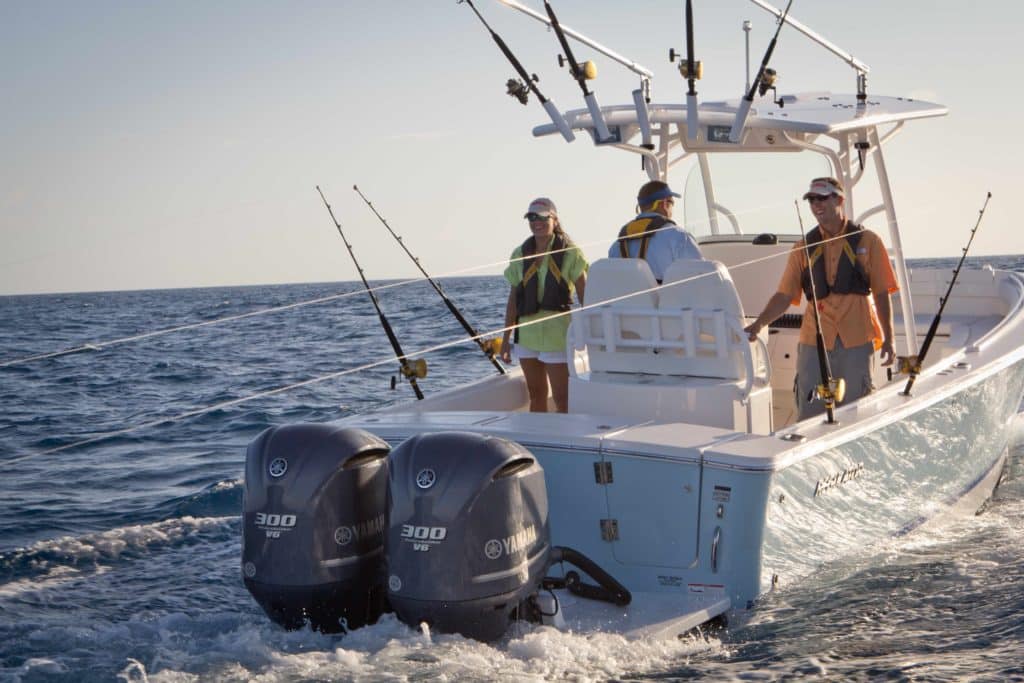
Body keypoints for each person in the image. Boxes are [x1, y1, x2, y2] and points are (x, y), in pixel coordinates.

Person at [744, 177, 898, 420]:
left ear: (839, 199)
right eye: (812, 199)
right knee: (810, 410)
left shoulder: (870, 241)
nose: (816, 204)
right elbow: (784, 295)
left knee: (855, 410)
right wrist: (759, 324)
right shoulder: (802, 247)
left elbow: (881, 293)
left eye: (822, 198)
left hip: (857, 338)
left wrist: (889, 339)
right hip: (813, 340)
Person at [500, 198, 588, 413]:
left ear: (554, 219)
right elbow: (513, 299)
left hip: (556, 335)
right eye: (531, 217)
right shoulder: (520, 254)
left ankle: (566, 440)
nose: (536, 221)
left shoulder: (570, 253)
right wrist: (505, 339)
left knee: (561, 397)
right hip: (527, 336)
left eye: (541, 217)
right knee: (536, 395)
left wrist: (589, 333)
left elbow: (586, 296)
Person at [610, 180, 703, 282]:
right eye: (671, 203)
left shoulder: (616, 247)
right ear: (664, 204)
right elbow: (701, 279)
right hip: (669, 298)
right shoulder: (679, 237)